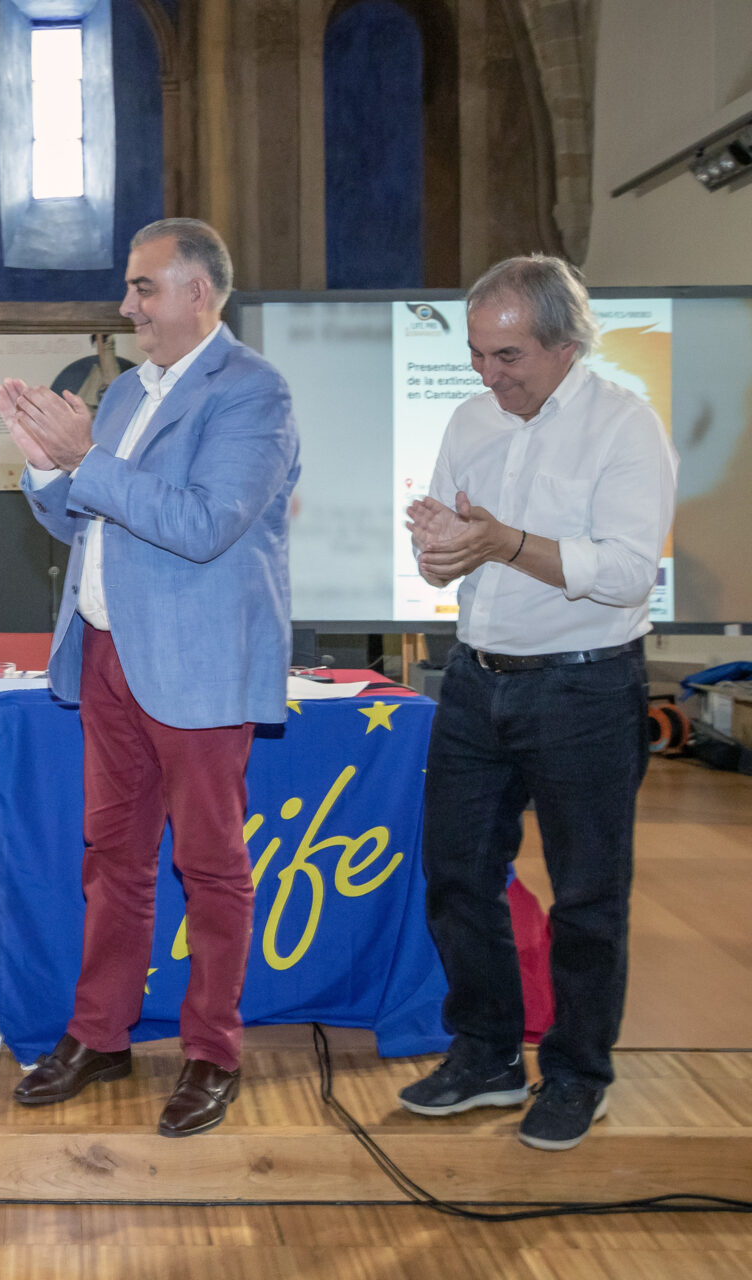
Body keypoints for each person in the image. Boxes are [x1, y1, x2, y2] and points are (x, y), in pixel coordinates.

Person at [0, 219, 299, 1137]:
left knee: (211, 866)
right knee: (113, 859)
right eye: (130, 288)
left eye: (143, 288)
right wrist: (44, 466)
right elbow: (80, 520)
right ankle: (101, 1033)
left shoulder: (253, 391)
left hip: (197, 666)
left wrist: (85, 459)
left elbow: (203, 525)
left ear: (198, 292)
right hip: (106, 654)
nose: (127, 306)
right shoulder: (126, 391)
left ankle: (213, 1050)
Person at [399, 255, 677, 1152]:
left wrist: (503, 542)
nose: (489, 375)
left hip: (586, 686)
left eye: (508, 356)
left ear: (565, 345)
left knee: (587, 896)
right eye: (478, 355)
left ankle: (577, 1075)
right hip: (476, 678)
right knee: (456, 876)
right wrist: (439, 554)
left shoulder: (624, 426)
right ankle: (485, 1055)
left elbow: (628, 572)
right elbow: (446, 552)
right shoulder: (469, 418)